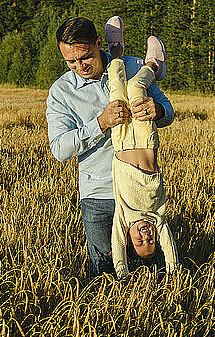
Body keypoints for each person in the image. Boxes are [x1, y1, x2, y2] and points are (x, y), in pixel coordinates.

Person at [46, 16, 175, 277]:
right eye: (71, 61)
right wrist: (101, 123)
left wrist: (156, 109)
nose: (79, 66)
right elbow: (60, 149)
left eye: (85, 57)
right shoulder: (61, 91)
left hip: (139, 189)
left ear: (98, 42)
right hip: (98, 194)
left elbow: (169, 112)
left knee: (150, 265)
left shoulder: (132, 67)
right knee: (105, 270)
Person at [107, 35, 179, 279]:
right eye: (151, 240)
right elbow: (169, 248)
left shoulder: (123, 216)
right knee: (135, 88)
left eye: (140, 242)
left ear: (129, 239)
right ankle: (153, 66)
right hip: (147, 142)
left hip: (121, 142)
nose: (145, 235)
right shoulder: (157, 217)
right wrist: (173, 273)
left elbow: (117, 251)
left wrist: (123, 275)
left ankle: (115, 53)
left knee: (117, 90)